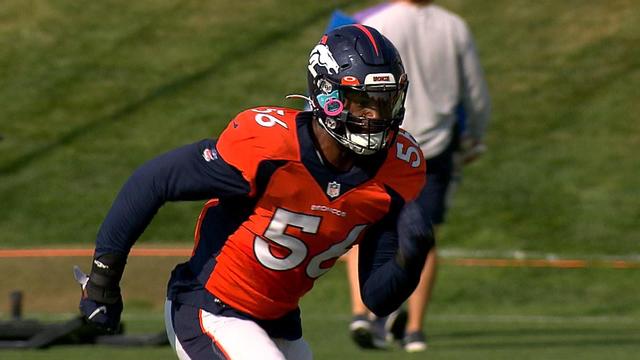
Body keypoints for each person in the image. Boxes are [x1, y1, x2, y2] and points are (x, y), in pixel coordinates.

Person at [74, 24, 435, 360]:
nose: (375, 115)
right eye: (362, 101)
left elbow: (377, 297)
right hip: (210, 308)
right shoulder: (268, 145)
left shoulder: (398, 168)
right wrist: (104, 280)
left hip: (280, 324)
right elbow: (153, 181)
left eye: (384, 101)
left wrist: (409, 258)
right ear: (329, 97)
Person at [344, 0, 492, 352]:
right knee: (423, 235)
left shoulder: (374, 21)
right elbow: (475, 92)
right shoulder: (454, 26)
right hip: (433, 148)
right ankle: (414, 329)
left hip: (379, 142)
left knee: (363, 224)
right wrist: (476, 136)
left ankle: (361, 312)